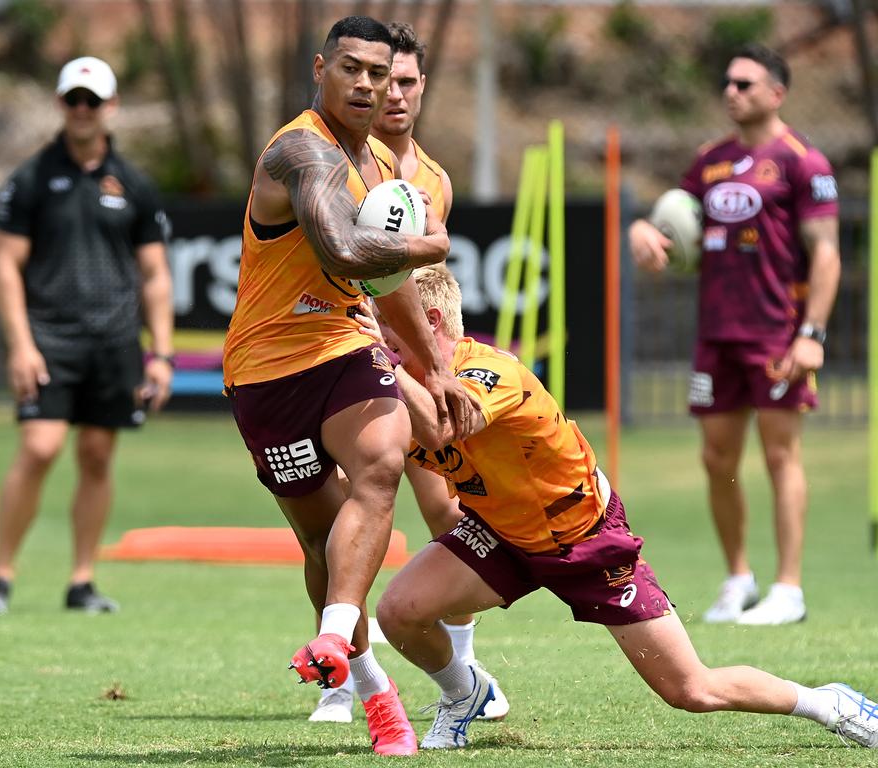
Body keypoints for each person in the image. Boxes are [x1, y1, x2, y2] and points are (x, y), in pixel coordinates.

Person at [364, 264, 876, 751]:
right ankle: (464, 693)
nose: (378, 337)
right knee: (399, 613)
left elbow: (445, 427)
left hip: (585, 538)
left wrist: (379, 358)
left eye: (386, 324)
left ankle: (828, 704)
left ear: (429, 321)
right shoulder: (401, 391)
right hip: (502, 532)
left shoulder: (490, 370)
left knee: (691, 690)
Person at [221, 16, 475, 756]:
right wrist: (426, 241)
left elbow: (385, 283)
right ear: (320, 69)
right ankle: (369, 686)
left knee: (385, 456)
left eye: (381, 74)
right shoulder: (298, 148)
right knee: (316, 539)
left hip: (341, 344)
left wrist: (434, 368)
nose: (368, 85)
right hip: (267, 367)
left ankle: (332, 636)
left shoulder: (378, 172)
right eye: (353, 69)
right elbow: (342, 244)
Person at [309, 21, 508, 726]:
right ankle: (345, 676)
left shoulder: (435, 181)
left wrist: (442, 362)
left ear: (421, 88)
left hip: (414, 357)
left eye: (405, 81)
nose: (391, 93)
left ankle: (461, 660)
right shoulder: (332, 159)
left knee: (450, 509)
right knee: (332, 515)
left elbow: (430, 288)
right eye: (381, 79)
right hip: (343, 351)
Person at [628, 44, 840, 625]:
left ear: (777, 93)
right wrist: (644, 231)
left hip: (776, 333)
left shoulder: (803, 162)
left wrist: (812, 332)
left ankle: (788, 589)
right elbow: (673, 217)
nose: (731, 91)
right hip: (716, 335)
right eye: (727, 81)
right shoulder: (710, 160)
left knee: (780, 455)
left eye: (745, 83)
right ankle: (738, 579)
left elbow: (826, 255)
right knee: (716, 456)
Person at [0, 56, 174, 615]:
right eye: (72, 100)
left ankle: (81, 580)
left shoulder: (134, 185)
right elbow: (6, 267)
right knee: (39, 447)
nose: (82, 111)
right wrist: (20, 344)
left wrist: (161, 354)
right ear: (61, 105)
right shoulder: (31, 179)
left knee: (97, 453)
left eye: (92, 101)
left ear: (110, 108)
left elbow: (155, 276)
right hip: (48, 339)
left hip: (113, 343)